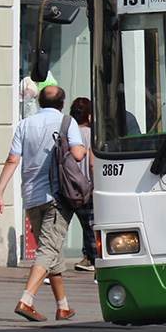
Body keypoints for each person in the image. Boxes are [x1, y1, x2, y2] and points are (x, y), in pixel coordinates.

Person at [0, 84, 86, 322]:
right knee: (47, 250)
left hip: (31, 197)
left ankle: (63, 306)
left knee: (52, 250)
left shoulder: (25, 124)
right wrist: (81, 146)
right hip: (56, 196)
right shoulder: (67, 122)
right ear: (63, 104)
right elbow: (78, 154)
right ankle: (26, 300)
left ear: (40, 103)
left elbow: (13, 159)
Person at [69, 97, 96, 273]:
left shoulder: (68, 135)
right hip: (87, 186)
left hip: (69, 187)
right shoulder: (92, 135)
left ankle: (50, 265)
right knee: (90, 226)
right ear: (89, 116)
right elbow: (92, 163)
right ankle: (93, 260)